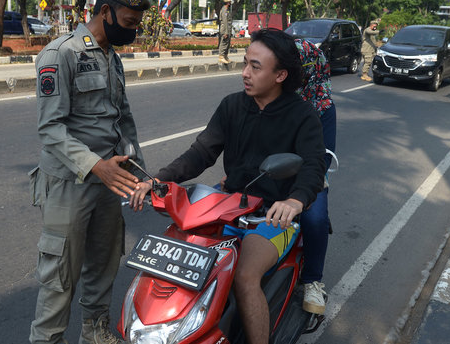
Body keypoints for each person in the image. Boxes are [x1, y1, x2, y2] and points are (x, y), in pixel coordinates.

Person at [130, 29, 326, 344]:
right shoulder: (232, 105)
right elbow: (201, 152)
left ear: (280, 75)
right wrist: (161, 179)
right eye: (245, 63)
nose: (245, 73)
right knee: (176, 259)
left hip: (271, 217)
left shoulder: (302, 116)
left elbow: (314, 166)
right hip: (228, 206)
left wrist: (294, 202)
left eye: (256, 67)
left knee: (246, 277)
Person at [28, 0, 149, 344]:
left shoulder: (112, 58)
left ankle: (95, 334)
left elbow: (122, 120)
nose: (133, 31)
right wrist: (96, 165)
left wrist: (140, 172)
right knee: (59, 278)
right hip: (70, 184)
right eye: (129, 23)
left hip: (108, 184)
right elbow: (50, 128)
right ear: (106, 11)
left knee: (103, 268)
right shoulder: (60, 54)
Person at [293, 39, 336, 315]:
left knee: (316, 218)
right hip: (262, 173)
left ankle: (312, 280)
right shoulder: (264, 97)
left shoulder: (323, 107)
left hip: (309, 177)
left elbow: (324, 156)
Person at [218, 0, 233, 64]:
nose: (230, 3)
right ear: (228, 3)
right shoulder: (224, 10)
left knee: (227, 43)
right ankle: (221, 57)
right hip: (224, 29)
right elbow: (225, 21)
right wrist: (226, 32)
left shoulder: (227, 10)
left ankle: (225, 56)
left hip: (228, 29)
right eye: (230, 2)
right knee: (224, 43)